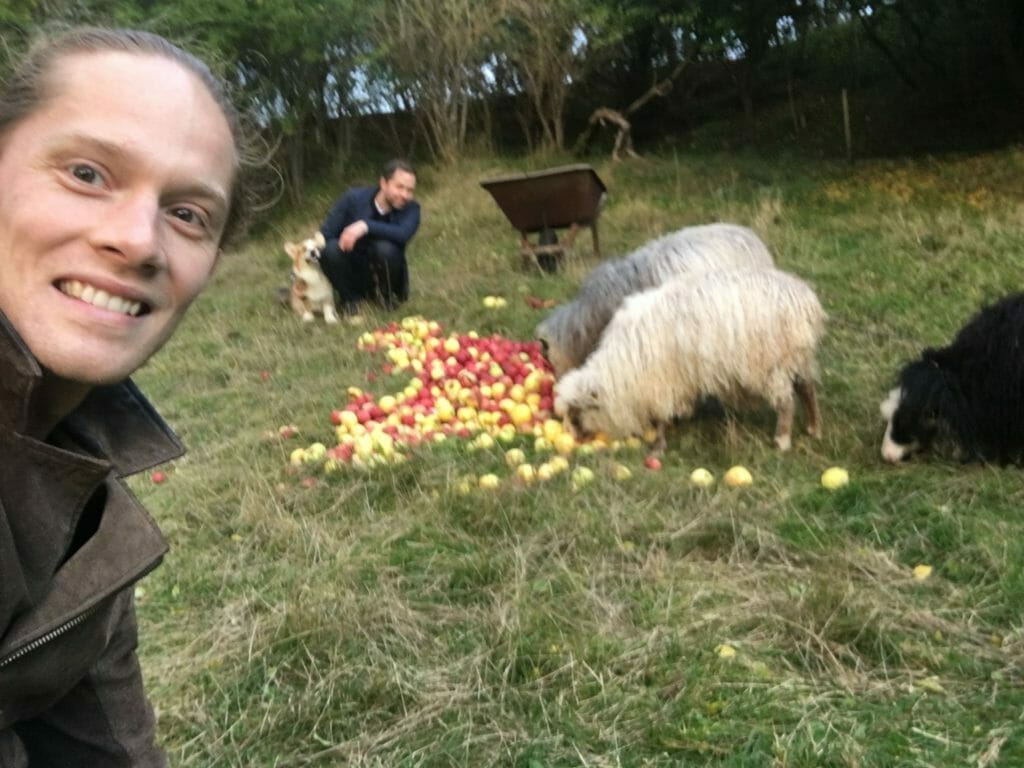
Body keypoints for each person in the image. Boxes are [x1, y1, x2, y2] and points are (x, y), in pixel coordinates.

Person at [0, 26, 256, 766]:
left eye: (188, 215)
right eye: (86, 172)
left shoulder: (84, 475)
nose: (140, 241)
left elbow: (108, 746)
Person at [318, 159, 421, 319]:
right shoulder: (352, 199)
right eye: (399, 187)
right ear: (383, 183)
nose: (405, 195)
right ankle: (351, 301)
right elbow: (325, 234)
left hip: (387, 275)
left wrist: (365, 225)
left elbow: (403, 233)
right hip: (351, 269)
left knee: (385, 248)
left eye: (410, 190)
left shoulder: (412, 209)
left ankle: (386, 299)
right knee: (330, 249)